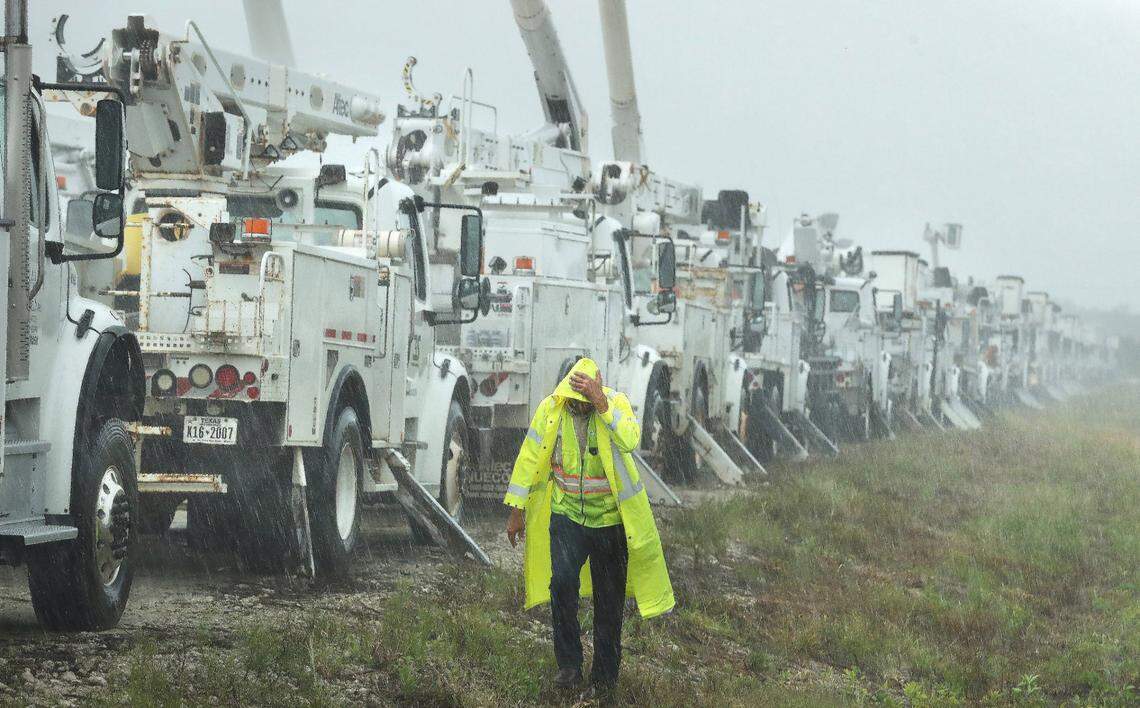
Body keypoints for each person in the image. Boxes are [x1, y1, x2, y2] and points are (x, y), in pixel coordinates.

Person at [503, 357, 674, 698]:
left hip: (610, 524)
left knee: (608, 606)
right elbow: (529, 457)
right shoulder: (553, 411)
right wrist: (516, 509)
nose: (578, 405)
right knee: (562, 584)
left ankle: (604, 681)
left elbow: (629, 438)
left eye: (584, 398)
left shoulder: (615, 404)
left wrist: (601, 403)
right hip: (568, 518)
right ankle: (569, 666)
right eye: (575, 397)